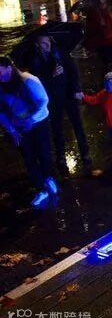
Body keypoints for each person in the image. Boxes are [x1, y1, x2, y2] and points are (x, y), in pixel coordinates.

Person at [29, 33, 91, 174]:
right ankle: (61, 157)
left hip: (68, 94)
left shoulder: (59, 53)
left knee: (77, 124)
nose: (47, 45)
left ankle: (85, 152)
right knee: (57, 128)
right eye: (43, 43)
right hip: (52, 98)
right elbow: (37, 83)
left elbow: (73, 71)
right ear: (37, 45)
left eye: (48, 42)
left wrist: (76, 89)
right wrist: (51, 76)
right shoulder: (35, 61)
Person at [0, 56, 57, 207]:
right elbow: (1, 112)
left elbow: (44, 100)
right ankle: (41, 189)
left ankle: (49, 178)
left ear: (9, 68)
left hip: (39, 122)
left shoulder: (28, 80)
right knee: (28, 158)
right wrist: (12, 131)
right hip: (20, 127)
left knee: (43, 153)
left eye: (0, 72)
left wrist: (31, 119)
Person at [78, 72, 112, 170]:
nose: (111, 87)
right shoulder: (103, 94)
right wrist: (84, 96)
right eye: (109, 84)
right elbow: (94, 100)